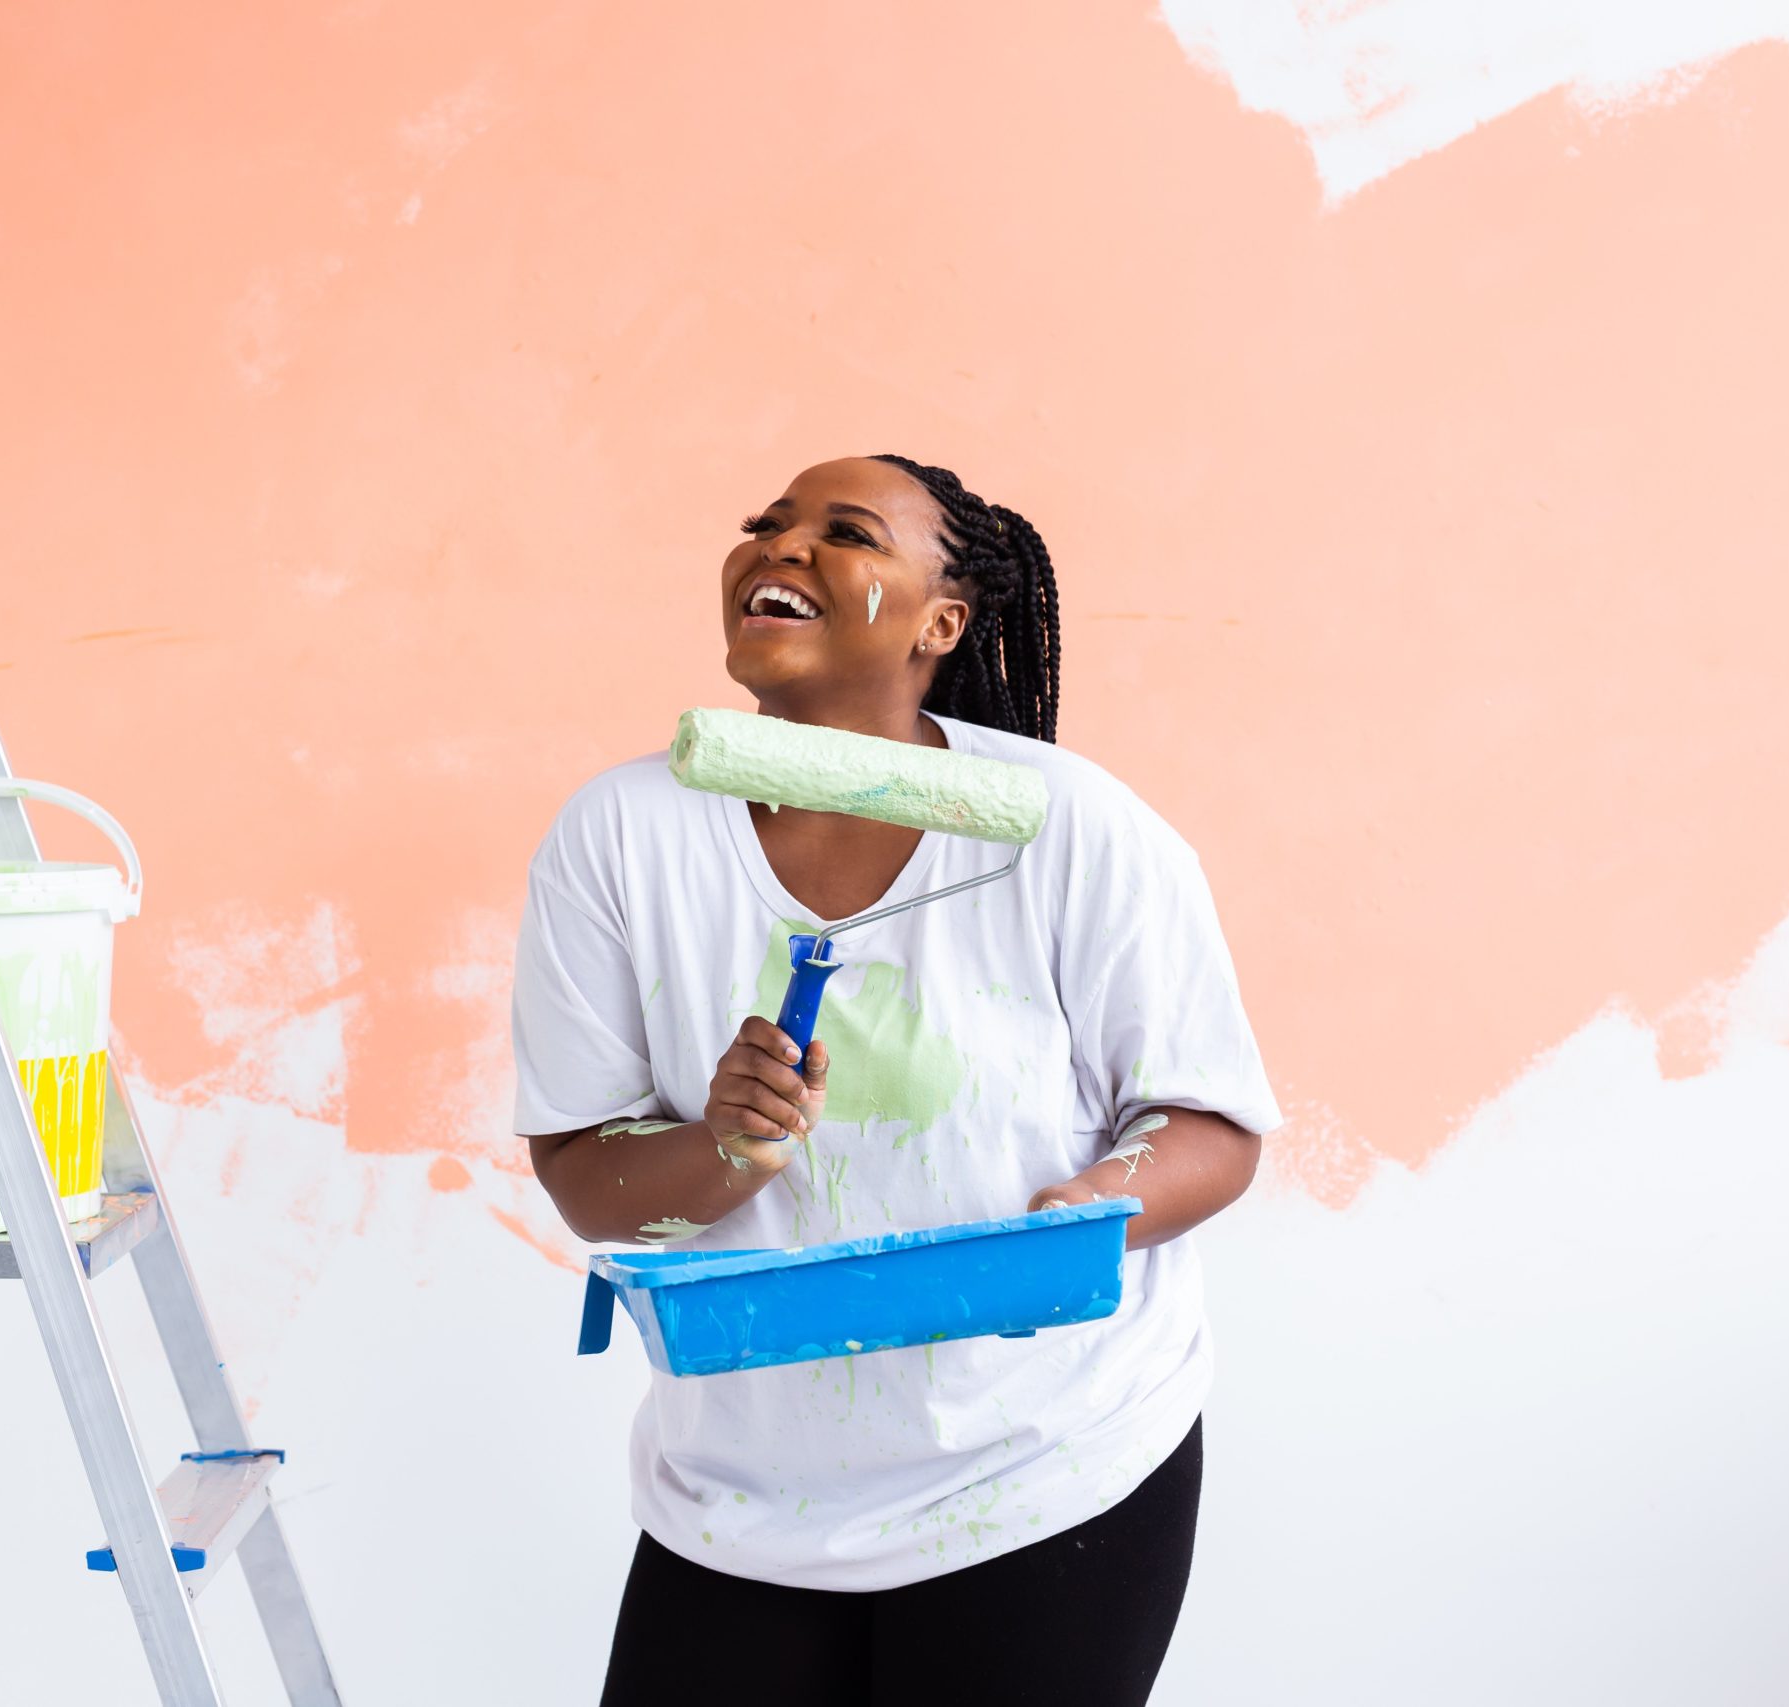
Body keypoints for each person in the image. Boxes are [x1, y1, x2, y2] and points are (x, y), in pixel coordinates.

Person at [510, 455, 1281, 1707]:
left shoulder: (1067, 826)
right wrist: (725, 1148)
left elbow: (1210, 1121)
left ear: (942, 623)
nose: (780, 546)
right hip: (737, 1503)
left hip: (1039, 1470)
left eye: (844, 532)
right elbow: (591, 1187)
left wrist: (1084, 1211)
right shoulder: (617, 839)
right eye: (764, 526)